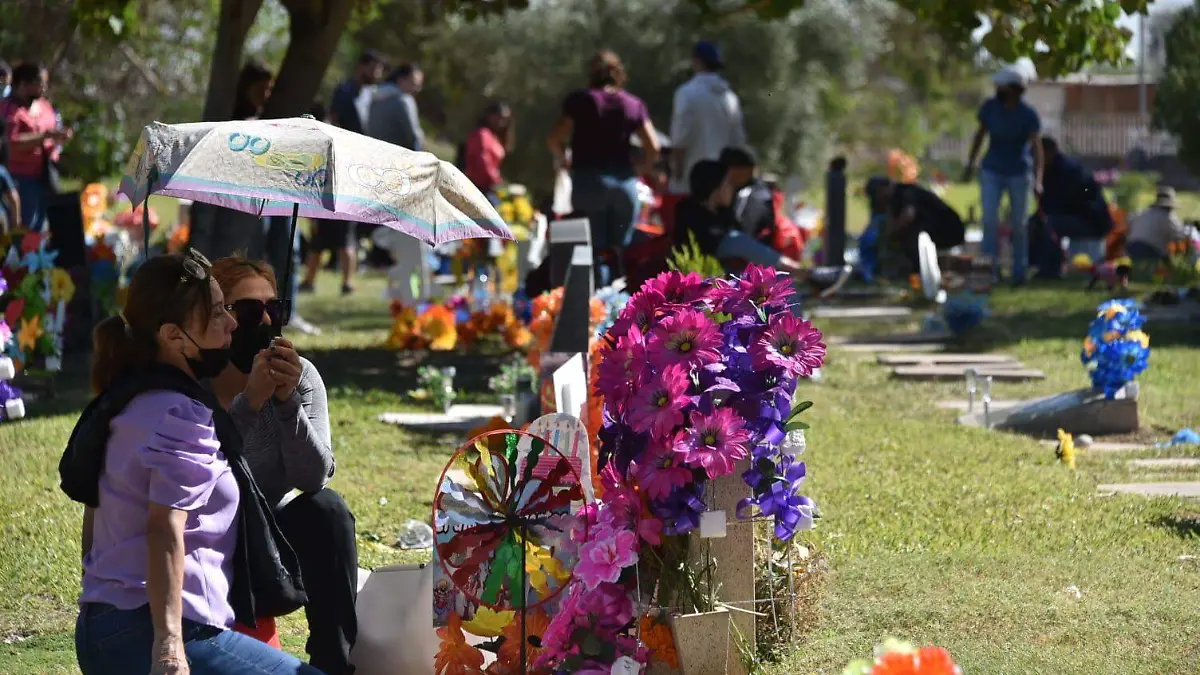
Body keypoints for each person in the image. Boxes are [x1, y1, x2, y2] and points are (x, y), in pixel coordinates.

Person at [63, 251, 320, 675]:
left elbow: (95, 518)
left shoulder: (126, 399)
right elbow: (165, 529)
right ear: (174, 335)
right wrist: (168, 647)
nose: (233, 324)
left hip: (103, 627)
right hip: (162, 632)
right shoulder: (180, 416)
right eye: (219, 312)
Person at [209, 257, 356, 675]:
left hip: (267, 539)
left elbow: (312, 478)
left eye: (275, 307)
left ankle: (333, 662)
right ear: (219, 315)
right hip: (207, 535)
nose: (266, 320)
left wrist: (286, 401)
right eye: (250, 311)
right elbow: (205, 474)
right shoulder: (195, 380)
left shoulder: (301, 376)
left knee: (327, 511)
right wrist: (249, 403)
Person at [546, 50, 660, 284]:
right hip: (624, 185)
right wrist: (641, 169)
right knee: (620, 253)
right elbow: (654, 147)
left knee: (594, 252)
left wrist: (564, 159)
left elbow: (553, 139)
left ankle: (598, 308)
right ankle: (622, 308)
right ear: (619, 74)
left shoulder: (580, 100)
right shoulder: (633, 104)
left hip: (589, 183)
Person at [964, 65, 1043, 285]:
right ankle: (990, 270)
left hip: (1019, 172)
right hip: (992, 171)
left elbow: (1037, 148)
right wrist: (971, 164)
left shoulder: (1027, 115)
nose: (997, 90)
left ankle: (1019, 271)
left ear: (1013, 89)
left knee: (1019, 224)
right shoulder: (990, 108)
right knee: (989, 221)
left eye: (1001, 86)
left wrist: (1038, 180)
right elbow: (980, 136)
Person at [665, 41, 746, 233]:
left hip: (690, 182)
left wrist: (675, 175)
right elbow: (738, 142)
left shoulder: (687, 93)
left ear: (696, 61)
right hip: (721, 186)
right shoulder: (730, 98)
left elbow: (680, 138)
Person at [673, 160, 805, 274]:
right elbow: (755, 251)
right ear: (715, 188)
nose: (732, 188)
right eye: (728, 183)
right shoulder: (715, 233)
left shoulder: (686, 213)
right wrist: (803, 272)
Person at [2, 62, 72, 232]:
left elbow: (51, 128)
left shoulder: (44, 105)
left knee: (44, 226)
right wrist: (45, 136)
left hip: (46, 175)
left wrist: (60, 137)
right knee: (26, 225)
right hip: (21, 177)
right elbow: (12, 142)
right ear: (24, 84)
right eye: (41, 83)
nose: (44, 88)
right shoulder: (9, 109)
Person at [1031, 136, 1113, 277]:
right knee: (1032, 224)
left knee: (1051, 224)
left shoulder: (1069, 171)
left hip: (1090, 222)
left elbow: (1067, 204)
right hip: (1074, 217)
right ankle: (1036, 265)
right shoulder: (1049, 171)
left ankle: (1051, 270)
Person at [867, 176, 966, 276]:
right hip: (934, 231)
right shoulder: (892, 200)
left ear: (882, 189)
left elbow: (908, 216)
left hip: (949, 230)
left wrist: (890, 235)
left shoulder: (906, 192)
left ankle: (916, 272)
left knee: (909, 236)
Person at [1126, 187, 1195, 261]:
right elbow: (1180, 234)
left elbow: (1129, 222)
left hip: (1131, 248)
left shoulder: (1142, 213)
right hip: (1150, 251)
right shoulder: (1167, 217)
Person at [367, 62, 423, 151]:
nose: (417, 90)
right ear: (401, 80)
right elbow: (413, 137)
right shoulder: (404, 101)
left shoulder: (376, 96)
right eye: (413, 84)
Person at [463, 101, 513, 199]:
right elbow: (483, 161)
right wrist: (496, 180)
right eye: (500, 116)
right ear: (490, 116)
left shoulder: (494, 137)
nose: (502, 121)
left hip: (489, 187)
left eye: (505, 119)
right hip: (477, 188)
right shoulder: (482, 134)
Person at [329, 50, 383, 135]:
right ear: (361, 66)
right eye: (373, 69)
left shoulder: (372, 94)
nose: (377, 75)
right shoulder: (345, 90)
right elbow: (334, 118)